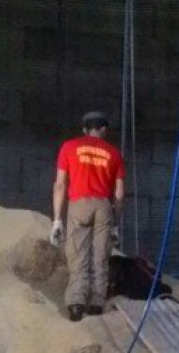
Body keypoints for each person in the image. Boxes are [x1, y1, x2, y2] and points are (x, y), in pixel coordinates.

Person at [50, 111, 125, 322]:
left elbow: (60, 184)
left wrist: (57, 219)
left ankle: (76, 303)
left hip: (79, 203)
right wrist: (115, 224)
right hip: (103, 205)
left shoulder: (69, 147)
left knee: (78, 253)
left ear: (84, 129)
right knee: (100, 255)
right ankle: (97, 303)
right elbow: (119, 192)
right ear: (104, 129)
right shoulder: (114, 153)